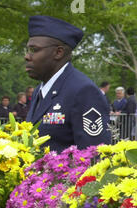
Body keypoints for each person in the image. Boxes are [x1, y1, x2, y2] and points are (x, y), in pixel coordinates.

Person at [25, 15, 111, 153]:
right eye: (28, 50)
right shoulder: (39, 91)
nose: (27, 56)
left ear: (58, 52)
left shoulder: (83, 91)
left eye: (34, 50)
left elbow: (95, 156)